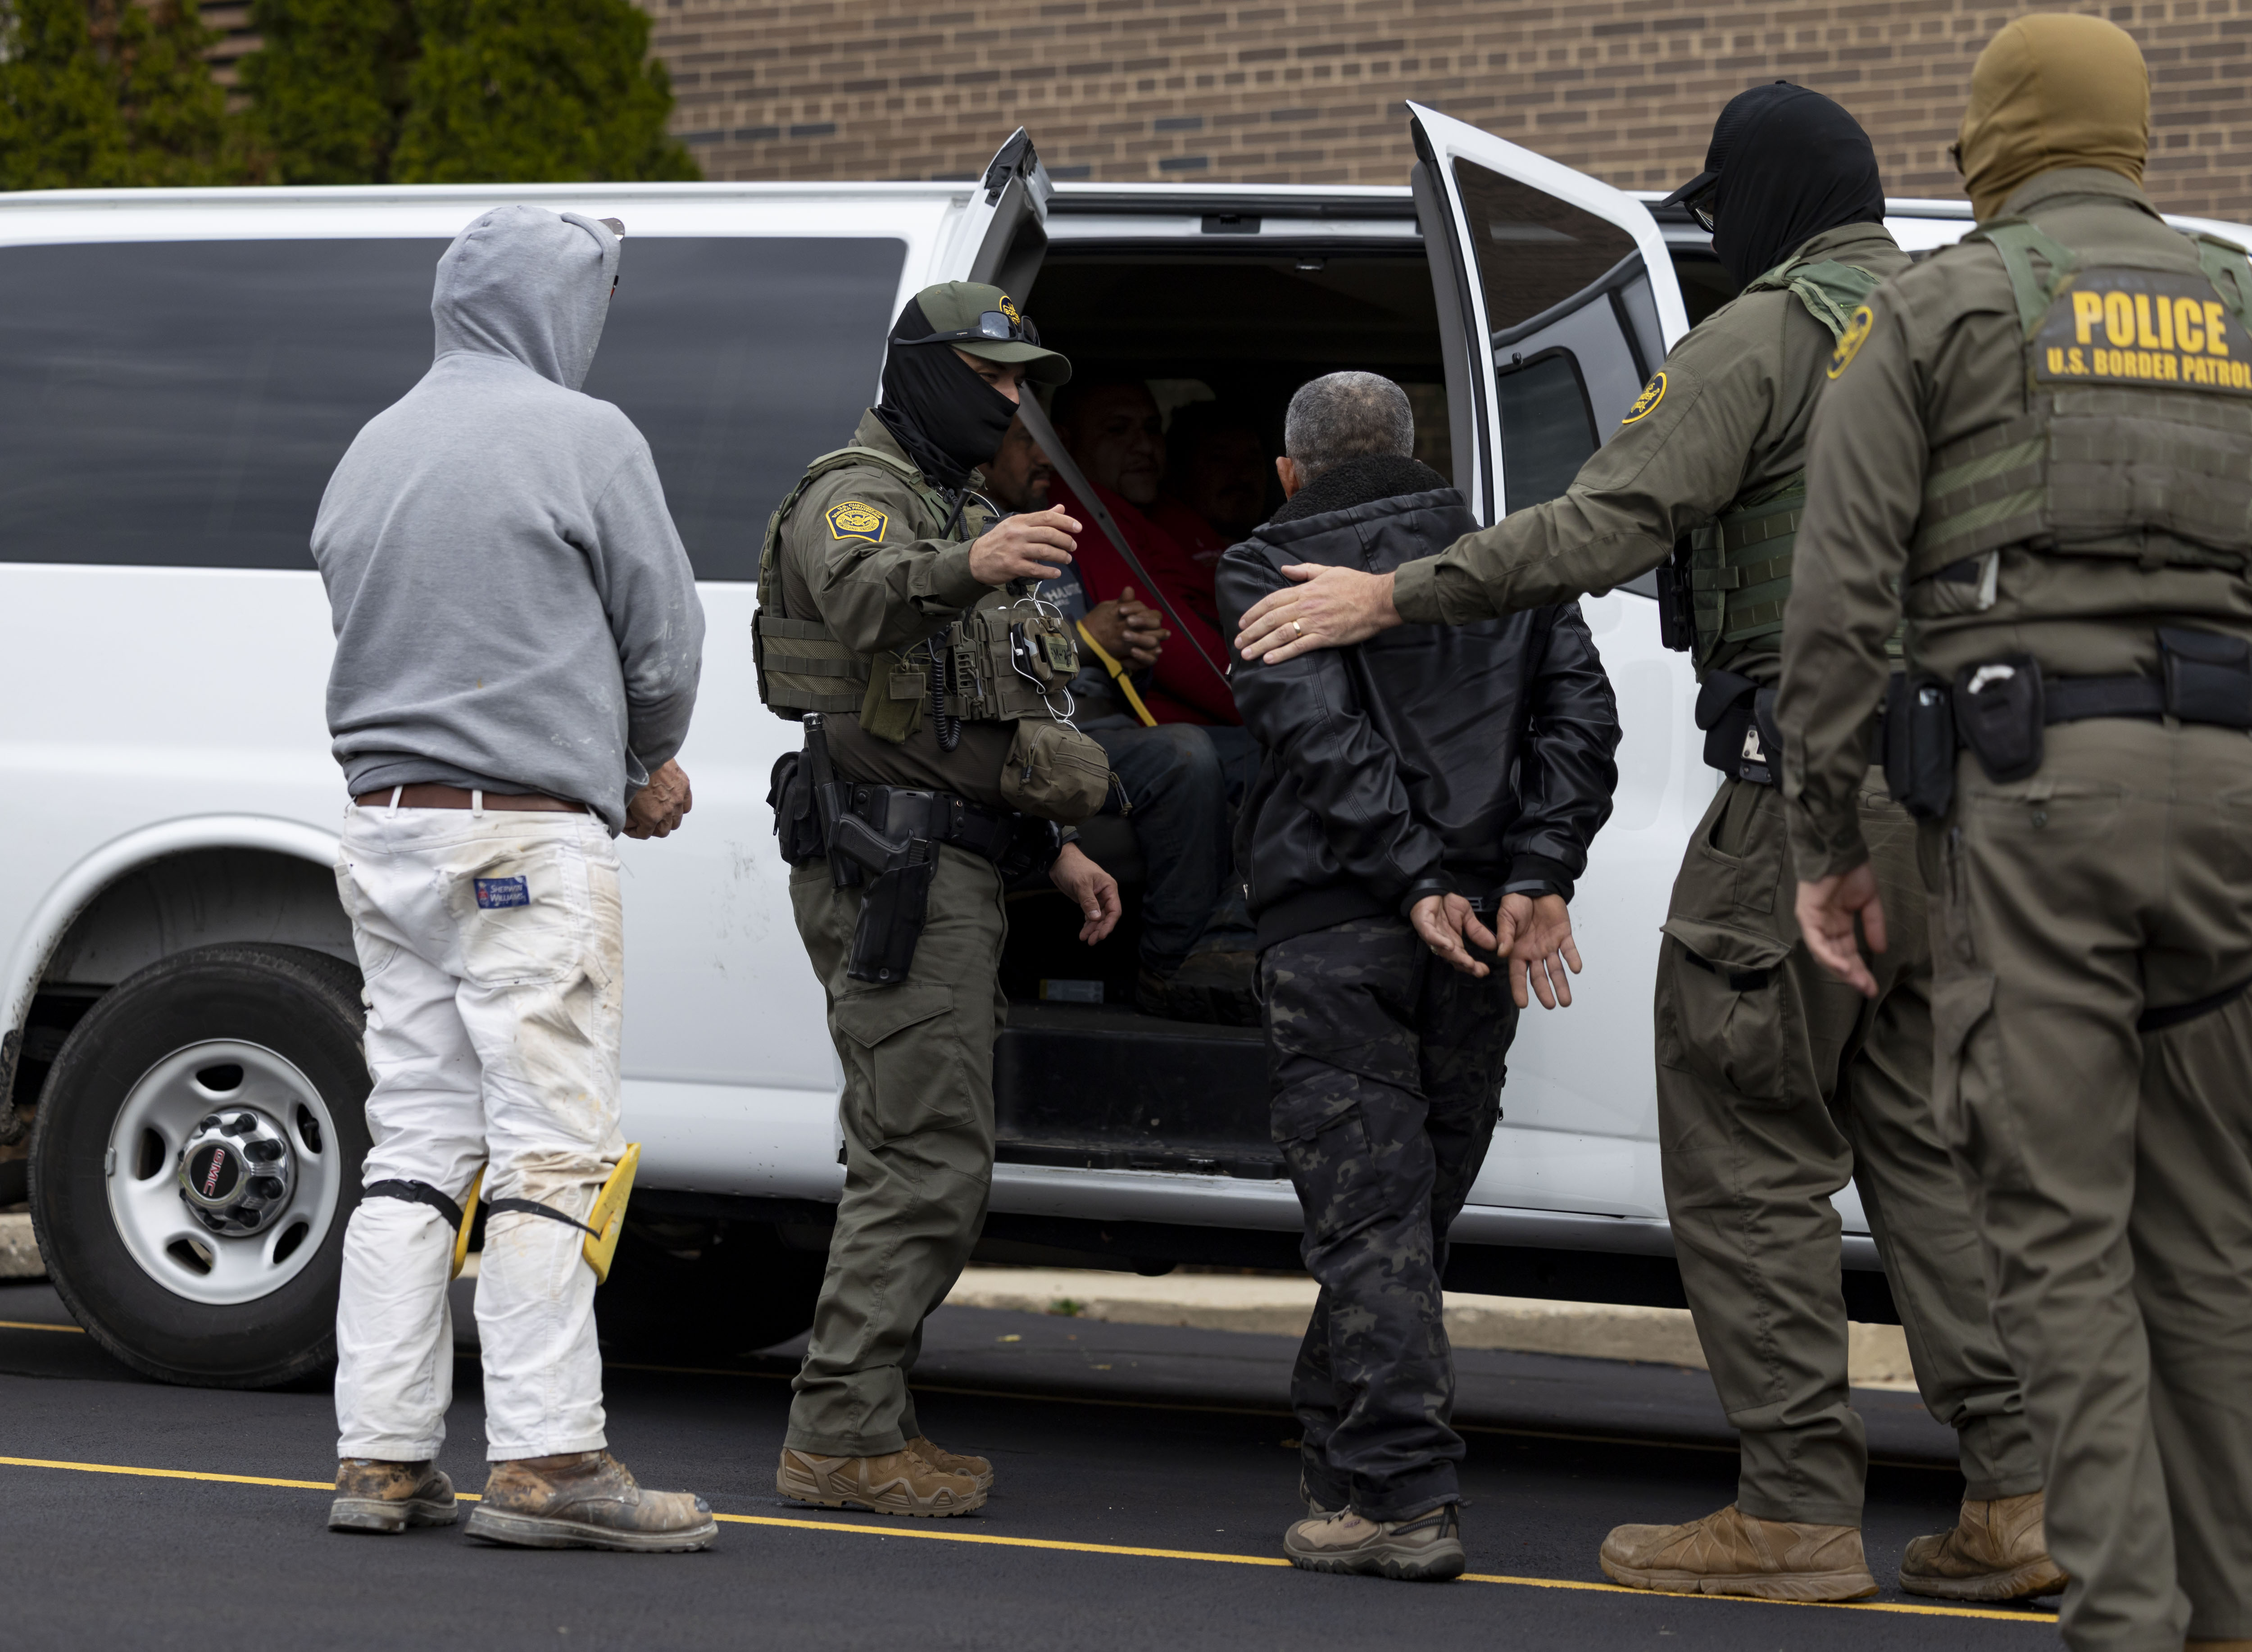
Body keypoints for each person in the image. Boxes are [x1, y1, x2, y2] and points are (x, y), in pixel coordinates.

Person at [1231, 88, 2060, 1605]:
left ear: (1765, 203)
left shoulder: (1768, 330)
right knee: (1928, 1148)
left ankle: (1799, 1510)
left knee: (1745, 1142)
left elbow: (1606, 525)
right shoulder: (1978, 317)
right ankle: (2018, 1497)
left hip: (1811, 782)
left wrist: (1390, 596)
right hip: (1981, 803)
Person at [1779, 17, 2252, 1647]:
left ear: (1992, 136)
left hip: (2036, 798)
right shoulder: (2241, 300)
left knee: (2058, 1233)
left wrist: (1827, 837)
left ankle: (2124, 1621)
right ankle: (2225, 1609)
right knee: (2205, 1234)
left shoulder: (1942, 304)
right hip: (2231, 800)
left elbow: (1836, 600)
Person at [315, 206, 714, 1551]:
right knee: (553, 1143)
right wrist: (640, 759)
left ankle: (380, 1454)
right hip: (520, 846)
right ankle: (548, 1457)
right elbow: (660, 634)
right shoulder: (582, 436)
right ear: (560, 307)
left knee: (415, 1145)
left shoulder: (373, 442)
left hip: (384, 833)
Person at [1219, 371, 1621, 1581]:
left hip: (1346, 929)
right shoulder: (1498, 556)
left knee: (1371, 1220)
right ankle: (1343, 1454)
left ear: (1291, 470)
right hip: (1485, 932)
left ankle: (1396, 1496)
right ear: (1417, 452)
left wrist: (1409, 877)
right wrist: (1533, 874)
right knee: (1409, 1212)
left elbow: (1319, 737)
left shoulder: (1265, 562)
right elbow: (1580, 725)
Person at [755, 281, 1124, 1516]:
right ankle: (842, 1435)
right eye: (992, 378)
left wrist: (1052, 847)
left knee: (910, 1152)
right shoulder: (858, 493)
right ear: (925, 373)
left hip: (956, 859)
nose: (1014, 401)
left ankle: (872, 1419)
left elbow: (972, 717)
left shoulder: (952, 504)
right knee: (927, 1162)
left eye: (1022, 380)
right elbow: (862, 595)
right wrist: (972, 560)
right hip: (895, 871)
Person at [1045, 381, 1265, 1021]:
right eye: (1117, 430)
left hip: (1107, 722)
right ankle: (1180, 964)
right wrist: (1278, 709)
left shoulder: (1141, 518)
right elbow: (1187, 653)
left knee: (1280, 752)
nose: (1144, 446)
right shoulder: (1080, 515)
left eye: (1150, 429)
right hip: (1067, 733)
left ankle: (1226, 943)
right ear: (1067, 445)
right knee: (1198, 755)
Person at [1153, 399, 1272, 585]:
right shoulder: (1163, 557)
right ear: (1176, 472)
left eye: (1252, 460)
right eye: (1219, 459)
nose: (1242, 473)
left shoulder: (1284, 546)